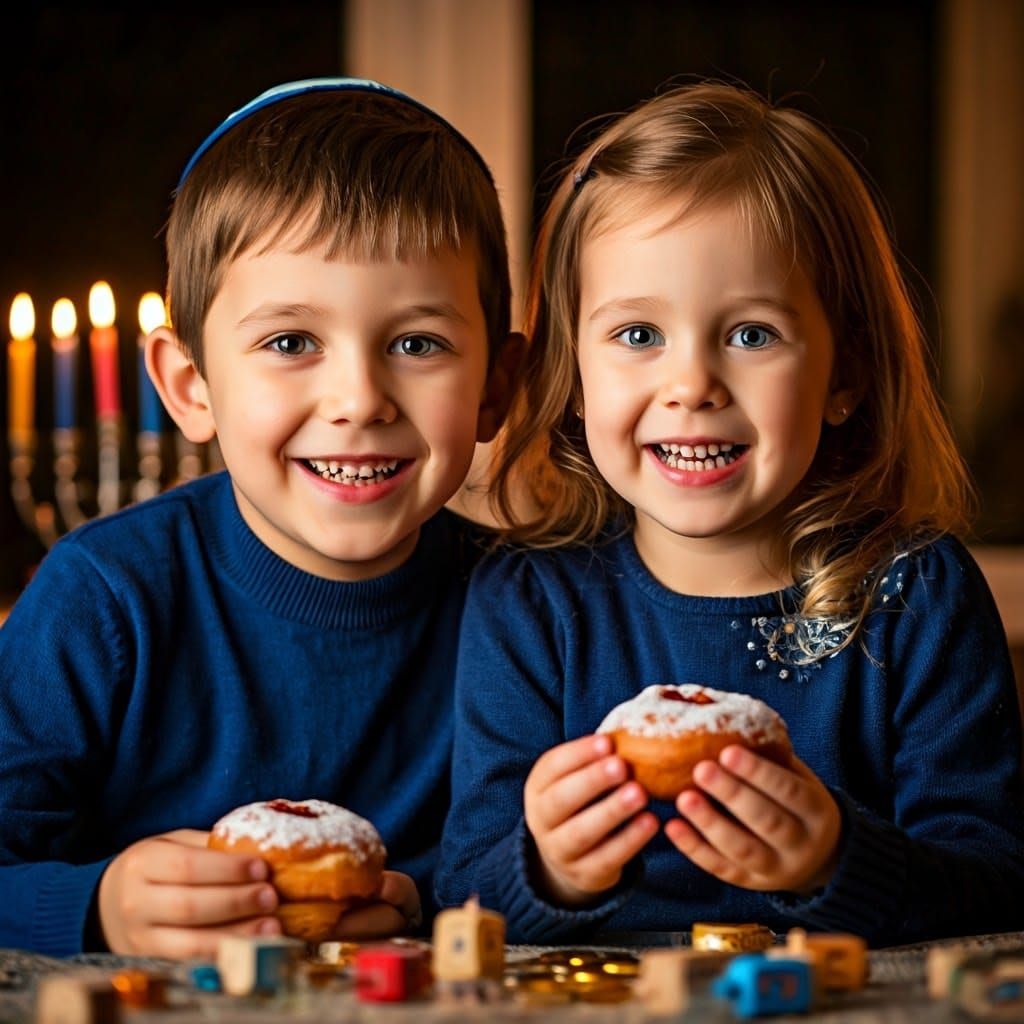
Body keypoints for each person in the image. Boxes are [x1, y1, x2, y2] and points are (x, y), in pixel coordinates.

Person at [436, 81, 1024, 945]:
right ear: (574, 373)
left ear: (845, 374)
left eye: (751, 334)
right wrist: (548, 870)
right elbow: (463, 896)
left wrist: (835, 861)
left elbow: (1000, 881)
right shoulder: (529, 606)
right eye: (638, 335)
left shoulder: (915, 595)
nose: (692, 386)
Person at [0, 77, 518, 958]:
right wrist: (100, 904)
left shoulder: (527, 611)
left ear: (497, 388)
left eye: (417, 344)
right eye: (290, 343)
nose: (358, 399)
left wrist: (422, 901)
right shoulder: (105, 598)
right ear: (189, 385)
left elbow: (540, 874)